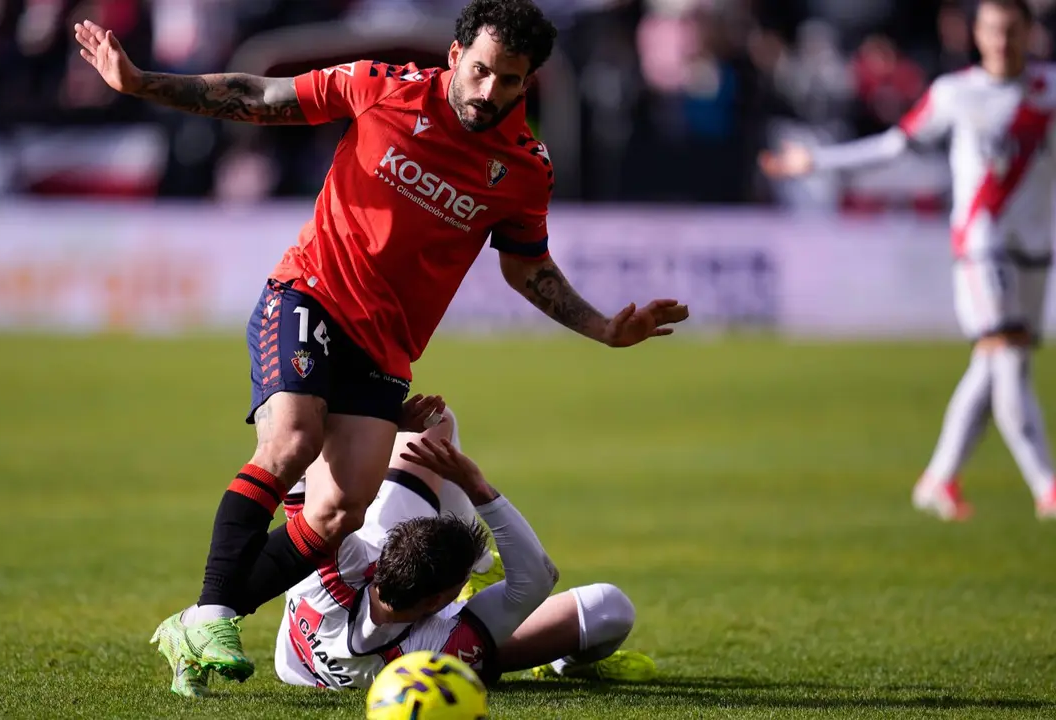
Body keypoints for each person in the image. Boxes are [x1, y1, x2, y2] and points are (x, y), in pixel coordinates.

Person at [75, 0, 690, 691]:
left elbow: (528, 268)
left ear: (528, 83)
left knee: (339, 515)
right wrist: (143, 84)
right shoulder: (381, 86)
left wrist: (604, 328)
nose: (490, 92)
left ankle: (197, 621)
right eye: (481, 71)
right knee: (291, 444)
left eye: (510, 81)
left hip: (383, 350)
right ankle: (217, 608)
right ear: (455, 57)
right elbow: (261, 95)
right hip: (308, 294)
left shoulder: (523, 167)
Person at [761, 0, 1056, 522]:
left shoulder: (1049, 89)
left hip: (1035, 248)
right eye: (992, 30)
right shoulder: (956, 93)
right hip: (980, 243)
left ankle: (939, 479)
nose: (1001, 41)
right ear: (978, 34)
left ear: (1028, 33)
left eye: (1011, 30)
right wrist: (818, 162)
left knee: (996, 362)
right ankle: (1047, 488)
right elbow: (895, 145)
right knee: (1007, 353)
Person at [260, 407, 648, 694]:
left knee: (433, 423)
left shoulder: (329, 566)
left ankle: (477, 567)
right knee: (609, 609)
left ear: (389, 551)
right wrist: (477, 487)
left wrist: (376, 417)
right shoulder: (439, 648)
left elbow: (299, 452)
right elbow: (539, 577)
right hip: (422, 640)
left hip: (297, 663)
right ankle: (552, 652)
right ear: (442, 602)